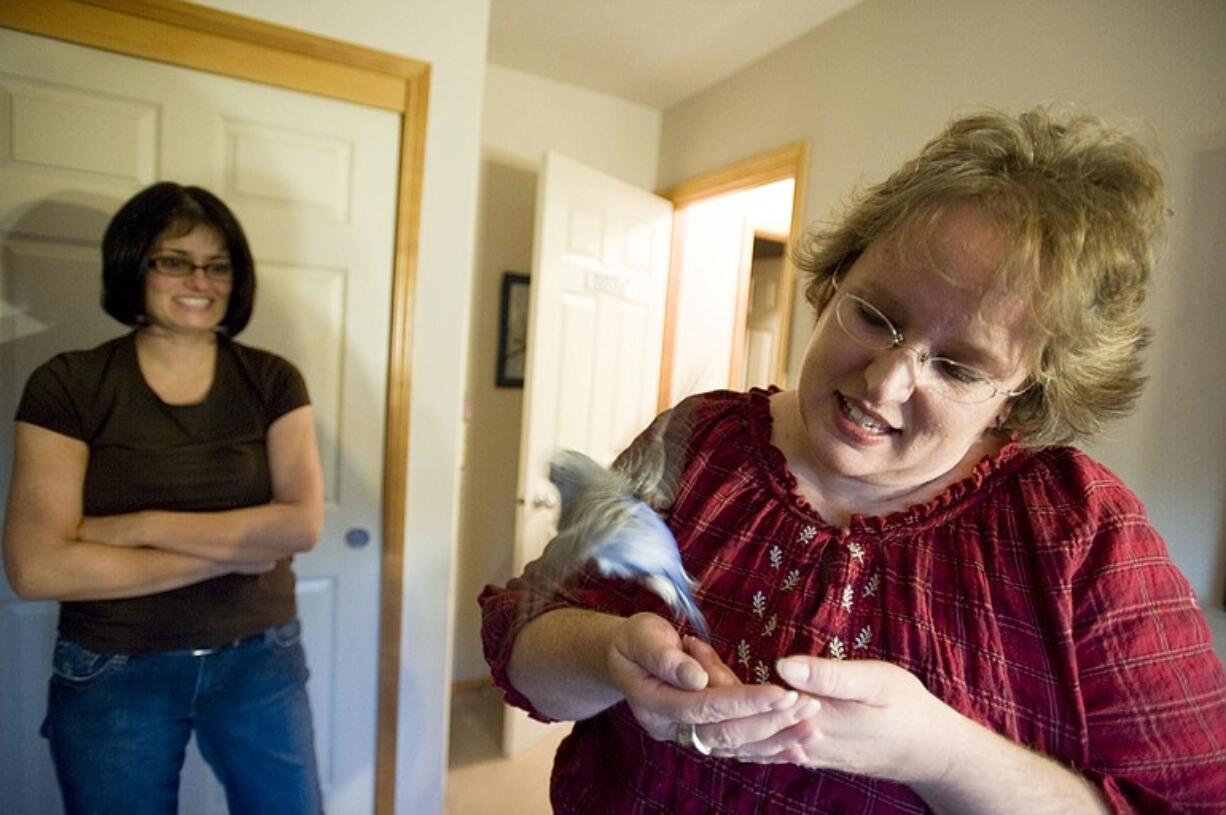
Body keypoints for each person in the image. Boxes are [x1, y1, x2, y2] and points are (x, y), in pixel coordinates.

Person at [479, 107, 1226, 813]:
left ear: (1022, 393)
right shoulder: (697, 439)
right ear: (837, 277)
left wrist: (939, 752)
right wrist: (611, 653)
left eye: (960, 367)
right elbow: (528, 646)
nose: (885, 381)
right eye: (875, 315)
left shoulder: (1078, 531)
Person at [3, 182, 325, 814]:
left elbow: (300, 526)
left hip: (260, 659)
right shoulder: (67, 384)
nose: (198, 280)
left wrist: (134, 526)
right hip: (114, 670)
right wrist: (234, 552)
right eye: (174, 260)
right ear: (135, 267)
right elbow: (37, 567)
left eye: (218, 265)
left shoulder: (272, 380)